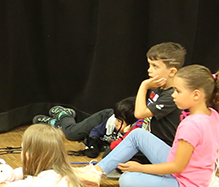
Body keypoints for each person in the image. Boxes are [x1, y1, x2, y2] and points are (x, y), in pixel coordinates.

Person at [77, 65, 219, 187]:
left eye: (178, 91)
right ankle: (95, 172)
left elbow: (177, 167)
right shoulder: (212, 114)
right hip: (189, 175)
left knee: (127, 180)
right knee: (137, 134)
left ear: (196, 95)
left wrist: (141, 168)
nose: (173, 95)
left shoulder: (192, 124)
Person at [33, 42, 186, 150]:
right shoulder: (156, 88)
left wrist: (144, 86)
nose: (149, 70)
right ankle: (63, 116)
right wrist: (144, 86)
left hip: (125, 123)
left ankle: (56, 122)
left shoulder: (172, 95)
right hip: (113, 117)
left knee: (105, 151)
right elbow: (141, 114)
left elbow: (141, 114)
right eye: (149, 65)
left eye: (154, 66)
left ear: (172, 71)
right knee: (72, 134)